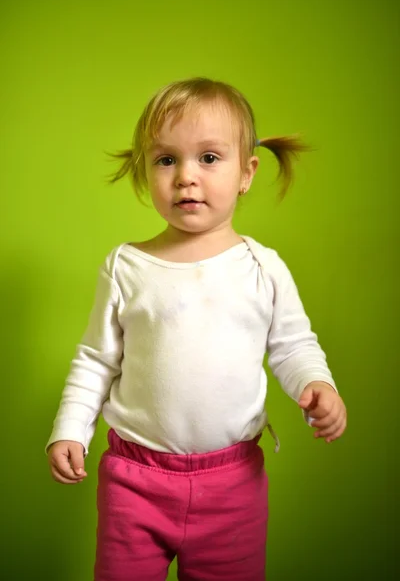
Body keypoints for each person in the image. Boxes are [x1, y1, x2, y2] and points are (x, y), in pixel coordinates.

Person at [46, 77, 347, 581]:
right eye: (167, 159)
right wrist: (69, 428)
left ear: (246, 173)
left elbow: (293, 345)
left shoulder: (262, 267)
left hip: (233, 486)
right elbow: (96, 360)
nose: (186, 176)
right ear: (146, 170)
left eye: (209, 158)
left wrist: (317, 385)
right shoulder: (127, 265)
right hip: (134, 483)